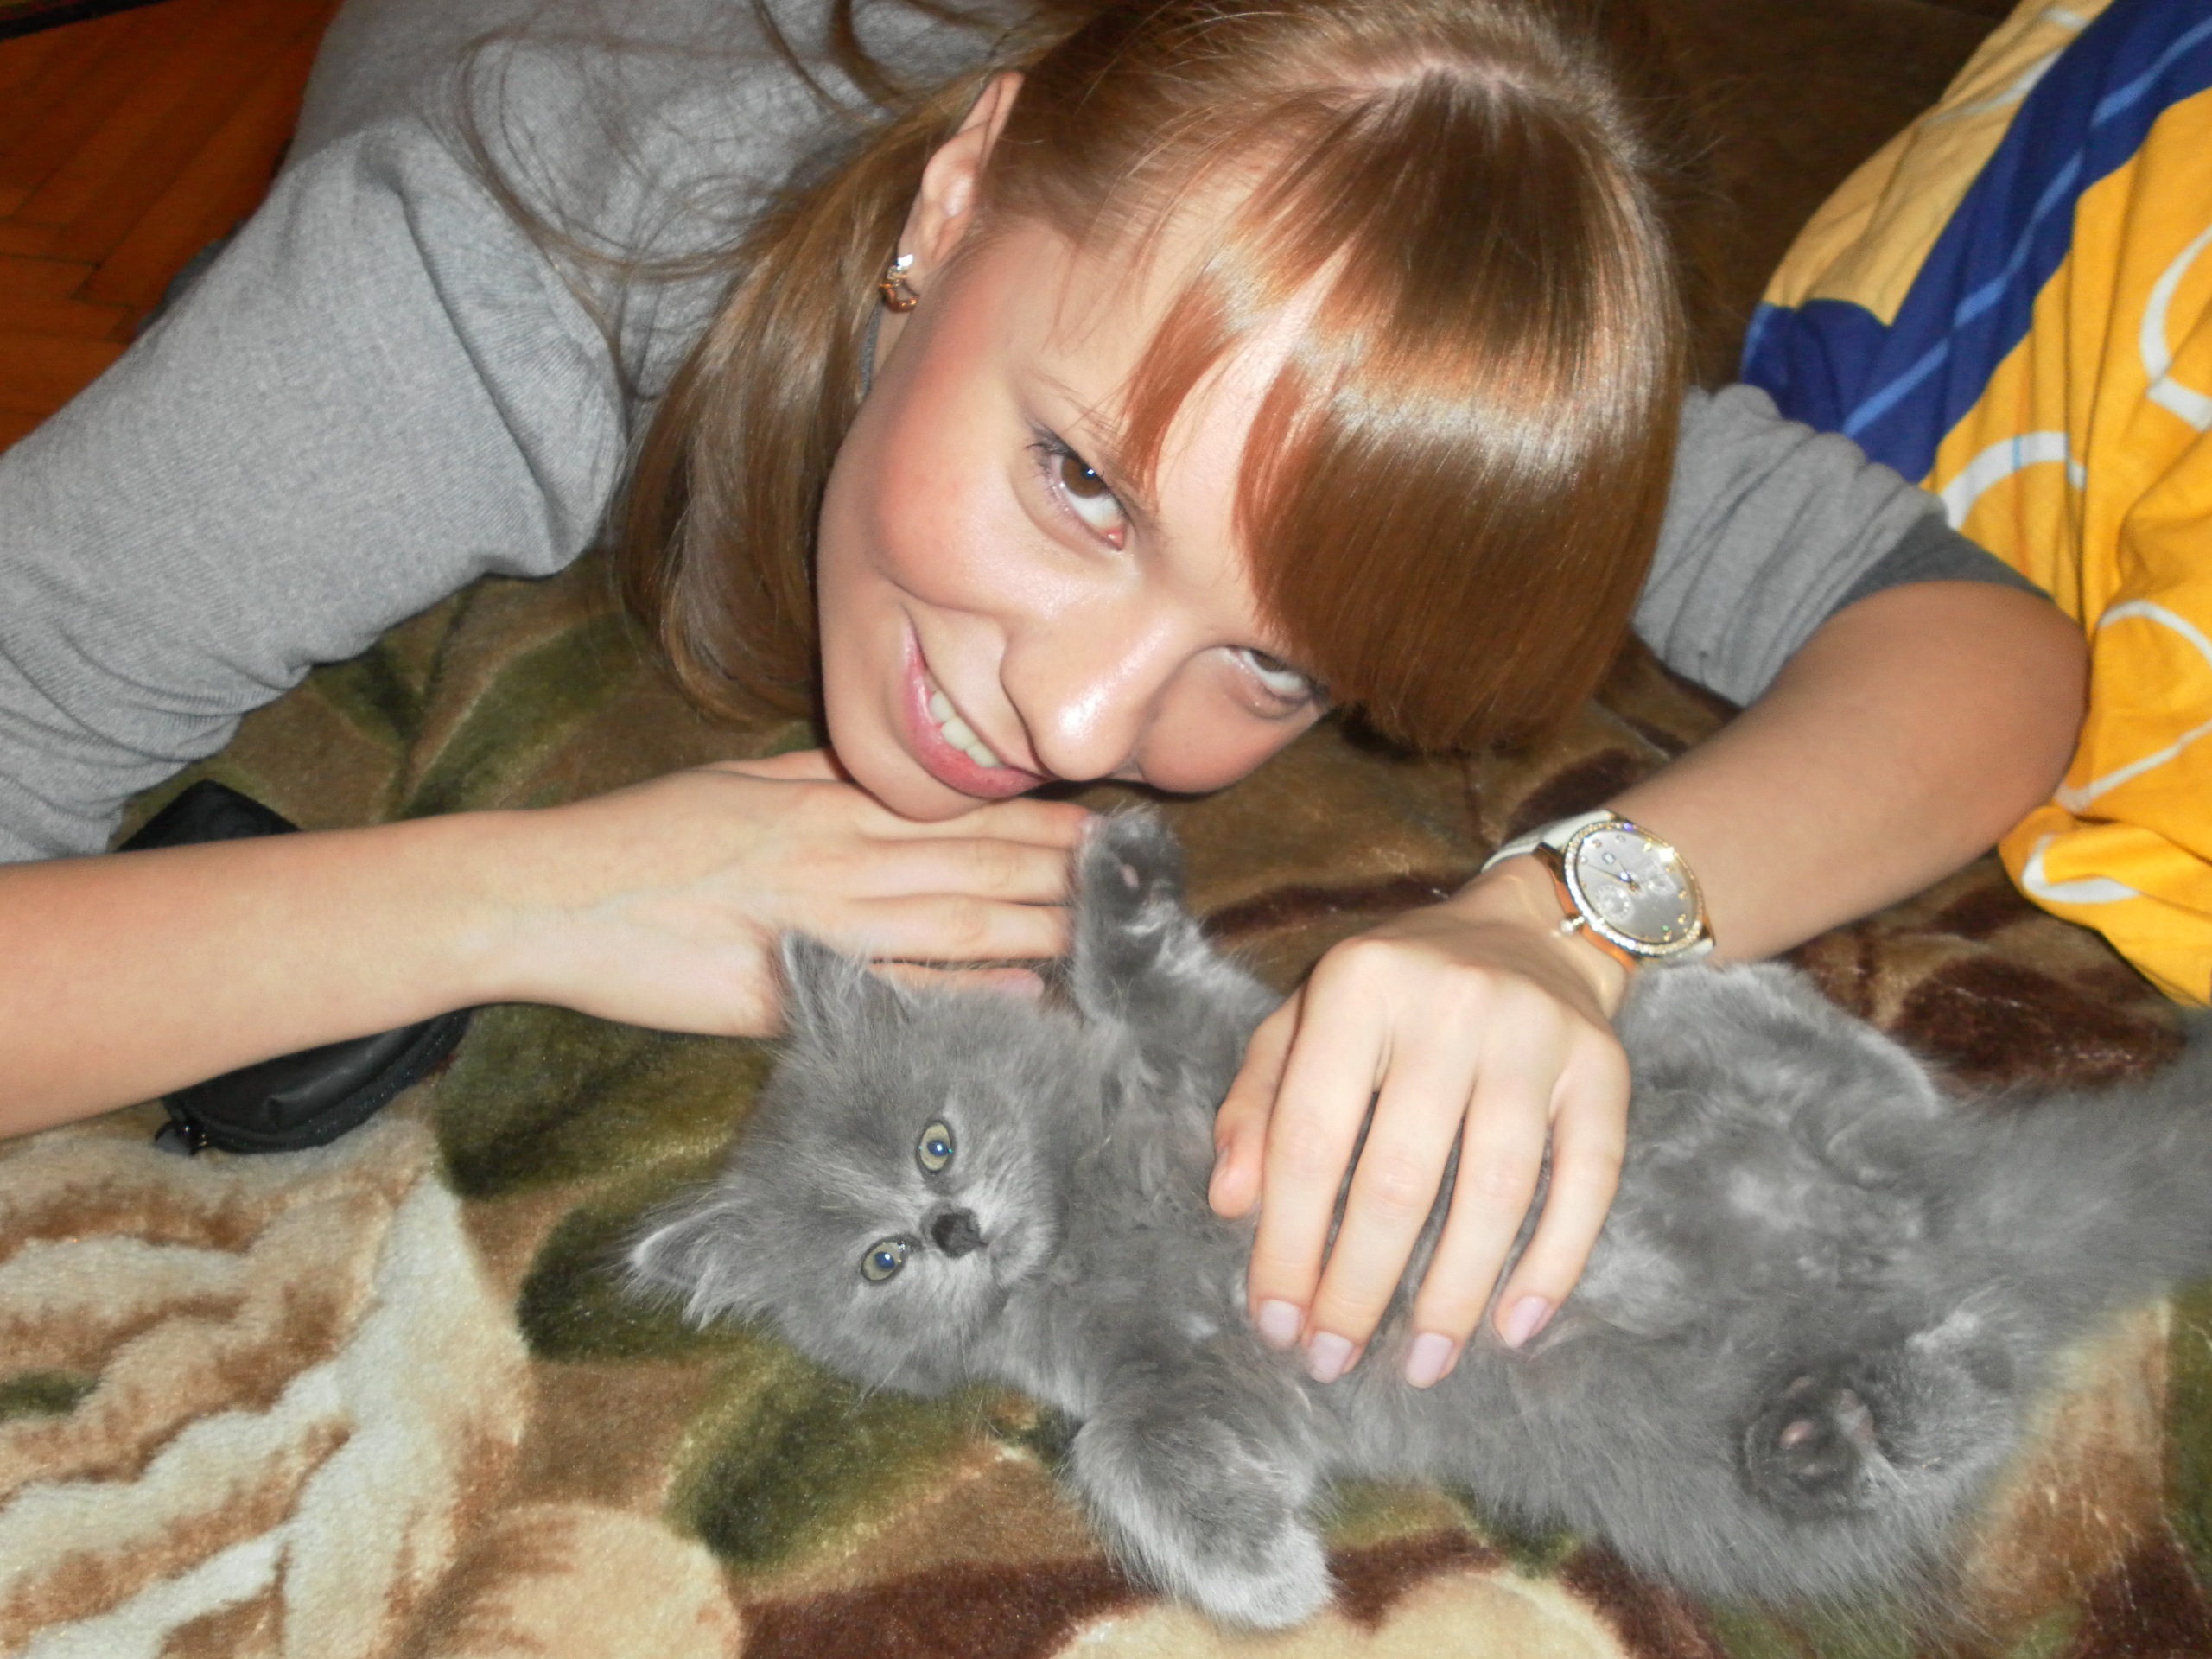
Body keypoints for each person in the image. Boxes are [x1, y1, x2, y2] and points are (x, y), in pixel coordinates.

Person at [0, 0, 2083, 1399]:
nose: (1080, 728)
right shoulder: (471, 286)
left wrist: (1565, 922)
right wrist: (529, 894)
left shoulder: (1342, 355)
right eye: (1080, 480)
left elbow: (1978, 648)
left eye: (1273, 659)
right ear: (952, 199)